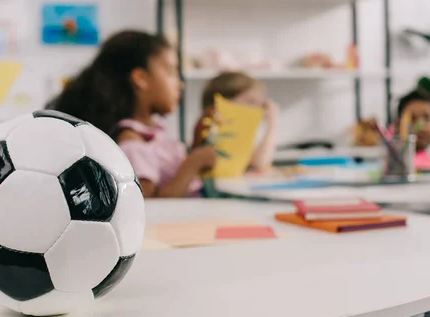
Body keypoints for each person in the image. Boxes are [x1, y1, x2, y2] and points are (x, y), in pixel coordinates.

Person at [51, 30, 216, 198]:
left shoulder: (149, 136)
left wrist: (198, 145)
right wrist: (192, 164)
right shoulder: (132, 144)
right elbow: (146, 205)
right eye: (170, 72)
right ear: (141, 79)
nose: (180, 84)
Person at [192, 71, 278, 172]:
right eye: (251, 102)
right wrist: (273, 123)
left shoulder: (241, 133)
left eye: (260, 104)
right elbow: (259, 163)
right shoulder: (212, 128)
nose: (258, 110)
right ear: (224, 101)